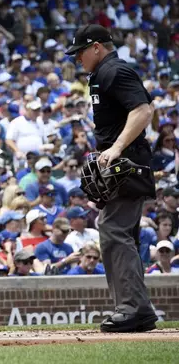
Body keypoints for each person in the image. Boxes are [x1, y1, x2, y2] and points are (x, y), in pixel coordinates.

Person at [66, 24, 157, 332]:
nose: (77, 58)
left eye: (80, 52)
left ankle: (133, 309)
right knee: (122, 233)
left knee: (113, 229)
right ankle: (137, 307)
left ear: (96, 47)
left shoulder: (115, 71)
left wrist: (117, 148)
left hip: (127, 162)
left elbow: (143, 110)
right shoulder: (103, 73)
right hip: (123, 161)